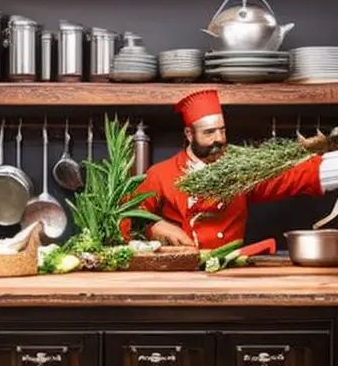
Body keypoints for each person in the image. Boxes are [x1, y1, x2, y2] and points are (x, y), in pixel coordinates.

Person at [120, 89, 338, 250]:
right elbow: (126, 219)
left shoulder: (241, 169)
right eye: (209, 133)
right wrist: (155, 226)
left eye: (222, 131)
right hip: (180, 275)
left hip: (230, 272)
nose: (218, 140)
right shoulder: (161, 174)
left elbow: (291, 177)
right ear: (189, 134)